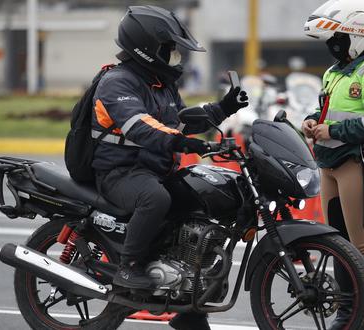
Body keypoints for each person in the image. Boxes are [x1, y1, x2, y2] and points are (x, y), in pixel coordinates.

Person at [91, 6, 247, 330]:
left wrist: (224, 108)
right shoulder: (116, 82)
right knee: (155, 200)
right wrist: (181, 142)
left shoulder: (161, 84)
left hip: (156, 169)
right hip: (122, 172)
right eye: (169, 49)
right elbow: (141, 127)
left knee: (200, 205)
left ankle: (190, 310)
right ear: (147, 49)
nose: (174, 57)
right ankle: (129, 266)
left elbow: (181, 121)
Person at [301, 1, 364, 329]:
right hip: (329, 162)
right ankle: (348, 314)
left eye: (338, 36)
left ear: (357, 32)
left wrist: (331, 130)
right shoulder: (335, 71)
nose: (332, 44)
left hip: (360, 162)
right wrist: (313, 122)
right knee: (338, 242)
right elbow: (326, 112)